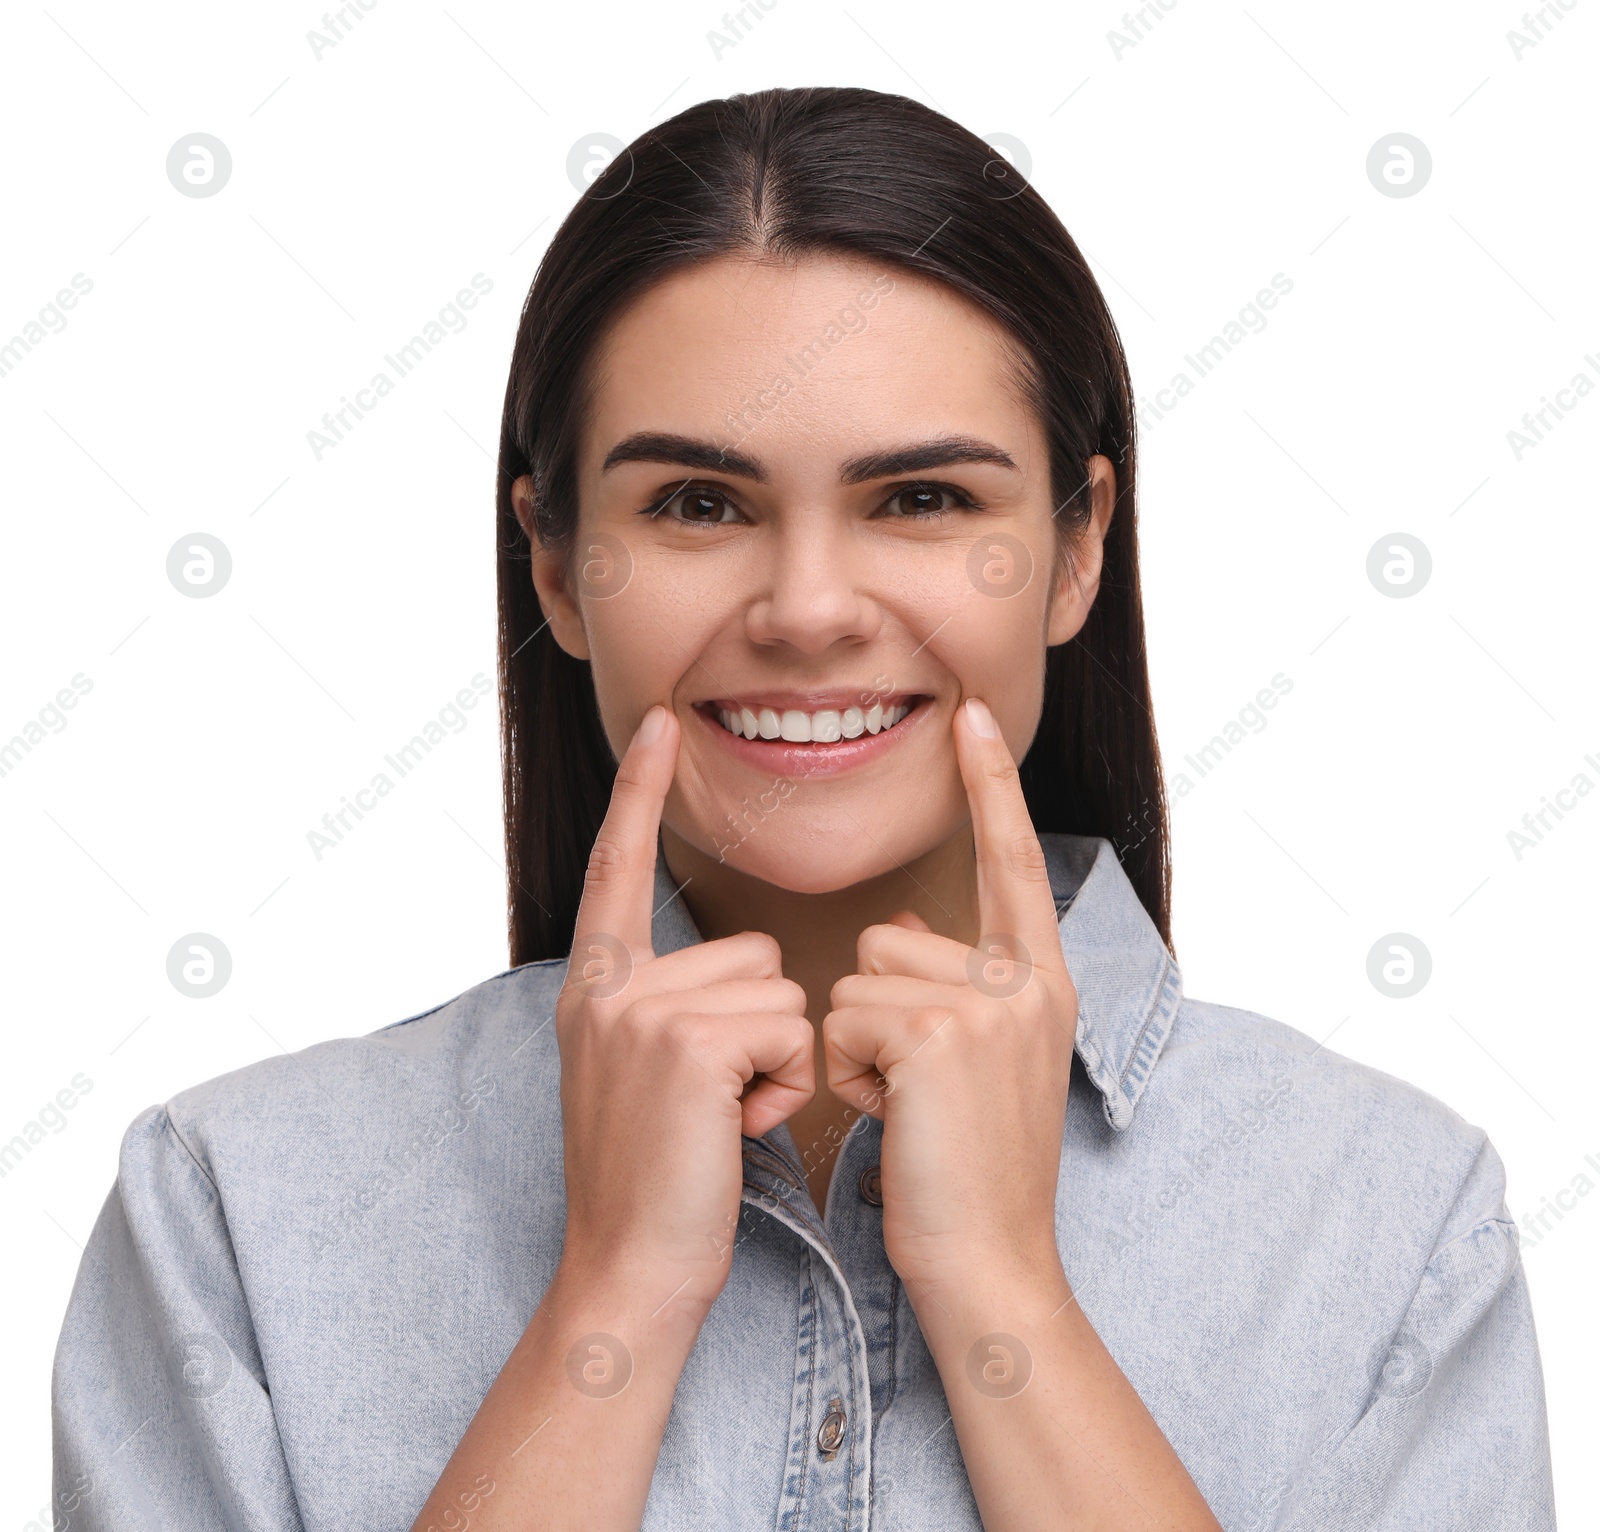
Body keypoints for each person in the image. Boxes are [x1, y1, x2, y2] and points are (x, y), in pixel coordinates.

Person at [52, 86, 1556, 1531]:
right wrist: (618, 1295)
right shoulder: (235, 1212)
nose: (808, 609)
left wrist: (1001, 1290)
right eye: (699, 505)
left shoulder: (1392, 1220)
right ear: (558, 566)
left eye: (922, 500)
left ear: (1078, 547)